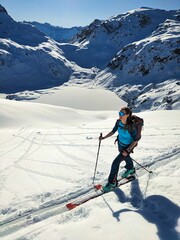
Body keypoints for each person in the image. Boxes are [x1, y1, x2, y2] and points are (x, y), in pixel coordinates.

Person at [99, 107, 140, 192]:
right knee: (125, 157)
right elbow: (113, 131)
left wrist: (128, 150)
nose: (120, 115)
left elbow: (135, 141)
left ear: (128, 115)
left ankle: (112, 182)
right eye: (119, 113)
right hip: (120, 145)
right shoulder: (118, 122)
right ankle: (130, 168)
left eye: (122, 114)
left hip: (127, 147)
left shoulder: (131, 126)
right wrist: (103, 138)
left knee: (115, 163)